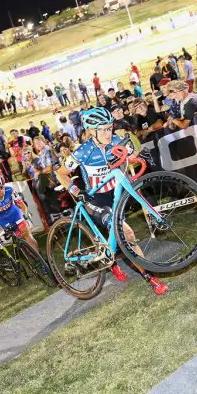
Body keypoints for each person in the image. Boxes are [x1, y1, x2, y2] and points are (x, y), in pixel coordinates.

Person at [55, 107, 168, 295]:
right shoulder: (83, 152)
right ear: (92, 131)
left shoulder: (116, 140)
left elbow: (131, 158)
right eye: (104, 129)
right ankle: (151, 278)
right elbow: (61, 174)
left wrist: (139, 157)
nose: (109, 133)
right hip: (95, 199)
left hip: (116, 193)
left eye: (110, 127)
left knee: (115, 237)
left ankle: (111, 258)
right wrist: (74, 190)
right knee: (127, 234)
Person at [0, 175, 39, 251]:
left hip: (16, 214)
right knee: (18, 239)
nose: (2, 190)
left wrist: (25, 213)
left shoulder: (10, 190)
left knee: (28, 235)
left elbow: (21, 204)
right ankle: (26, 253)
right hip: (4, 221)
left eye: (2, 187)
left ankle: (40, 258)